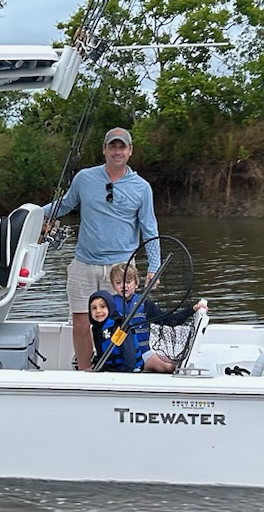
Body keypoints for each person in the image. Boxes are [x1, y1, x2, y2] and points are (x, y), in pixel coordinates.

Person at [43, 126, 160, 371]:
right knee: (81, 320)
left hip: (121, 267)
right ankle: (85, 371)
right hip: (84, 262)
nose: (117, 151)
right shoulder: (84, 178)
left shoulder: (142, 187)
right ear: (104, 150)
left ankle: (120, 369)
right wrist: (29, 214)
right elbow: (63, 205)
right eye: (112, 146)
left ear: (130, 151)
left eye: (122, 147)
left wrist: (154, 266)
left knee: (118, 322)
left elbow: (150, 228)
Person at [108, 261, 200, 373]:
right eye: (118, 283)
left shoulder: (145, 305)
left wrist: (192, 309)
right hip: (120, 354)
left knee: (167, 367)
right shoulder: (109, 305)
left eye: (128, 282)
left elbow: (169, 320)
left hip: (143, 353)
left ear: (136, 284)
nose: (124, 286)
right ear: (113, 286)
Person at [87, 291, 137, 372]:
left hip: (127, 370)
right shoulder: (97, 328)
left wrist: (125, 373)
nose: (98, 311)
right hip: (110, 368)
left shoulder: (119, 326)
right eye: (94, 308)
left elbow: (129, 354)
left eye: (102, 306)